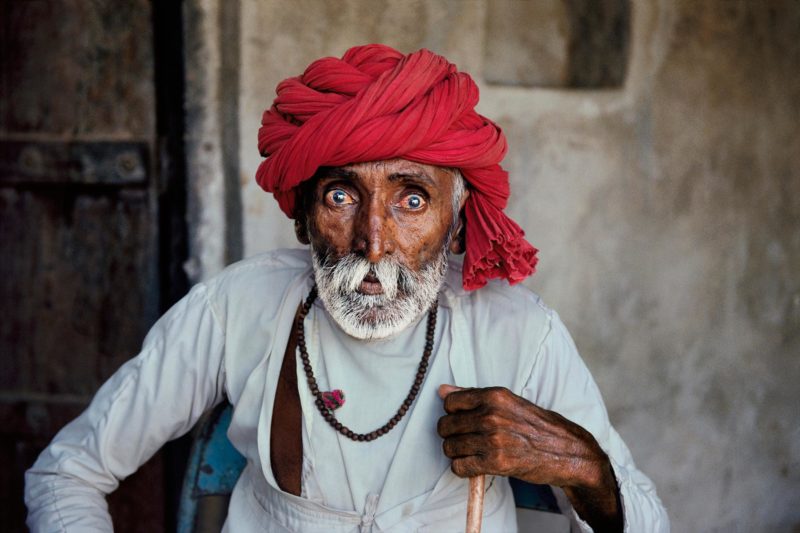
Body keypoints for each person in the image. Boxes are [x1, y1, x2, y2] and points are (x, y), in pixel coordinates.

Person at [25, 44, 668, 532]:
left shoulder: (517, 332)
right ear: (305, 214)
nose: (373, 241)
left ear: (456, 219)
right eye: (341, 195)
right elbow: (66, 473)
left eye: (411, 198)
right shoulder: (237, 308)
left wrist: (582, 469)